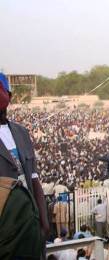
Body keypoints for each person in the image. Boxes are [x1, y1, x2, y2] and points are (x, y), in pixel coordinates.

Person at [0, 73, 48, 259]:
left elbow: (34, 179)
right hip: (6, 229)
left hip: (31, 225)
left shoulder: (21, 132)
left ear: (9, 96)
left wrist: (44, 224)